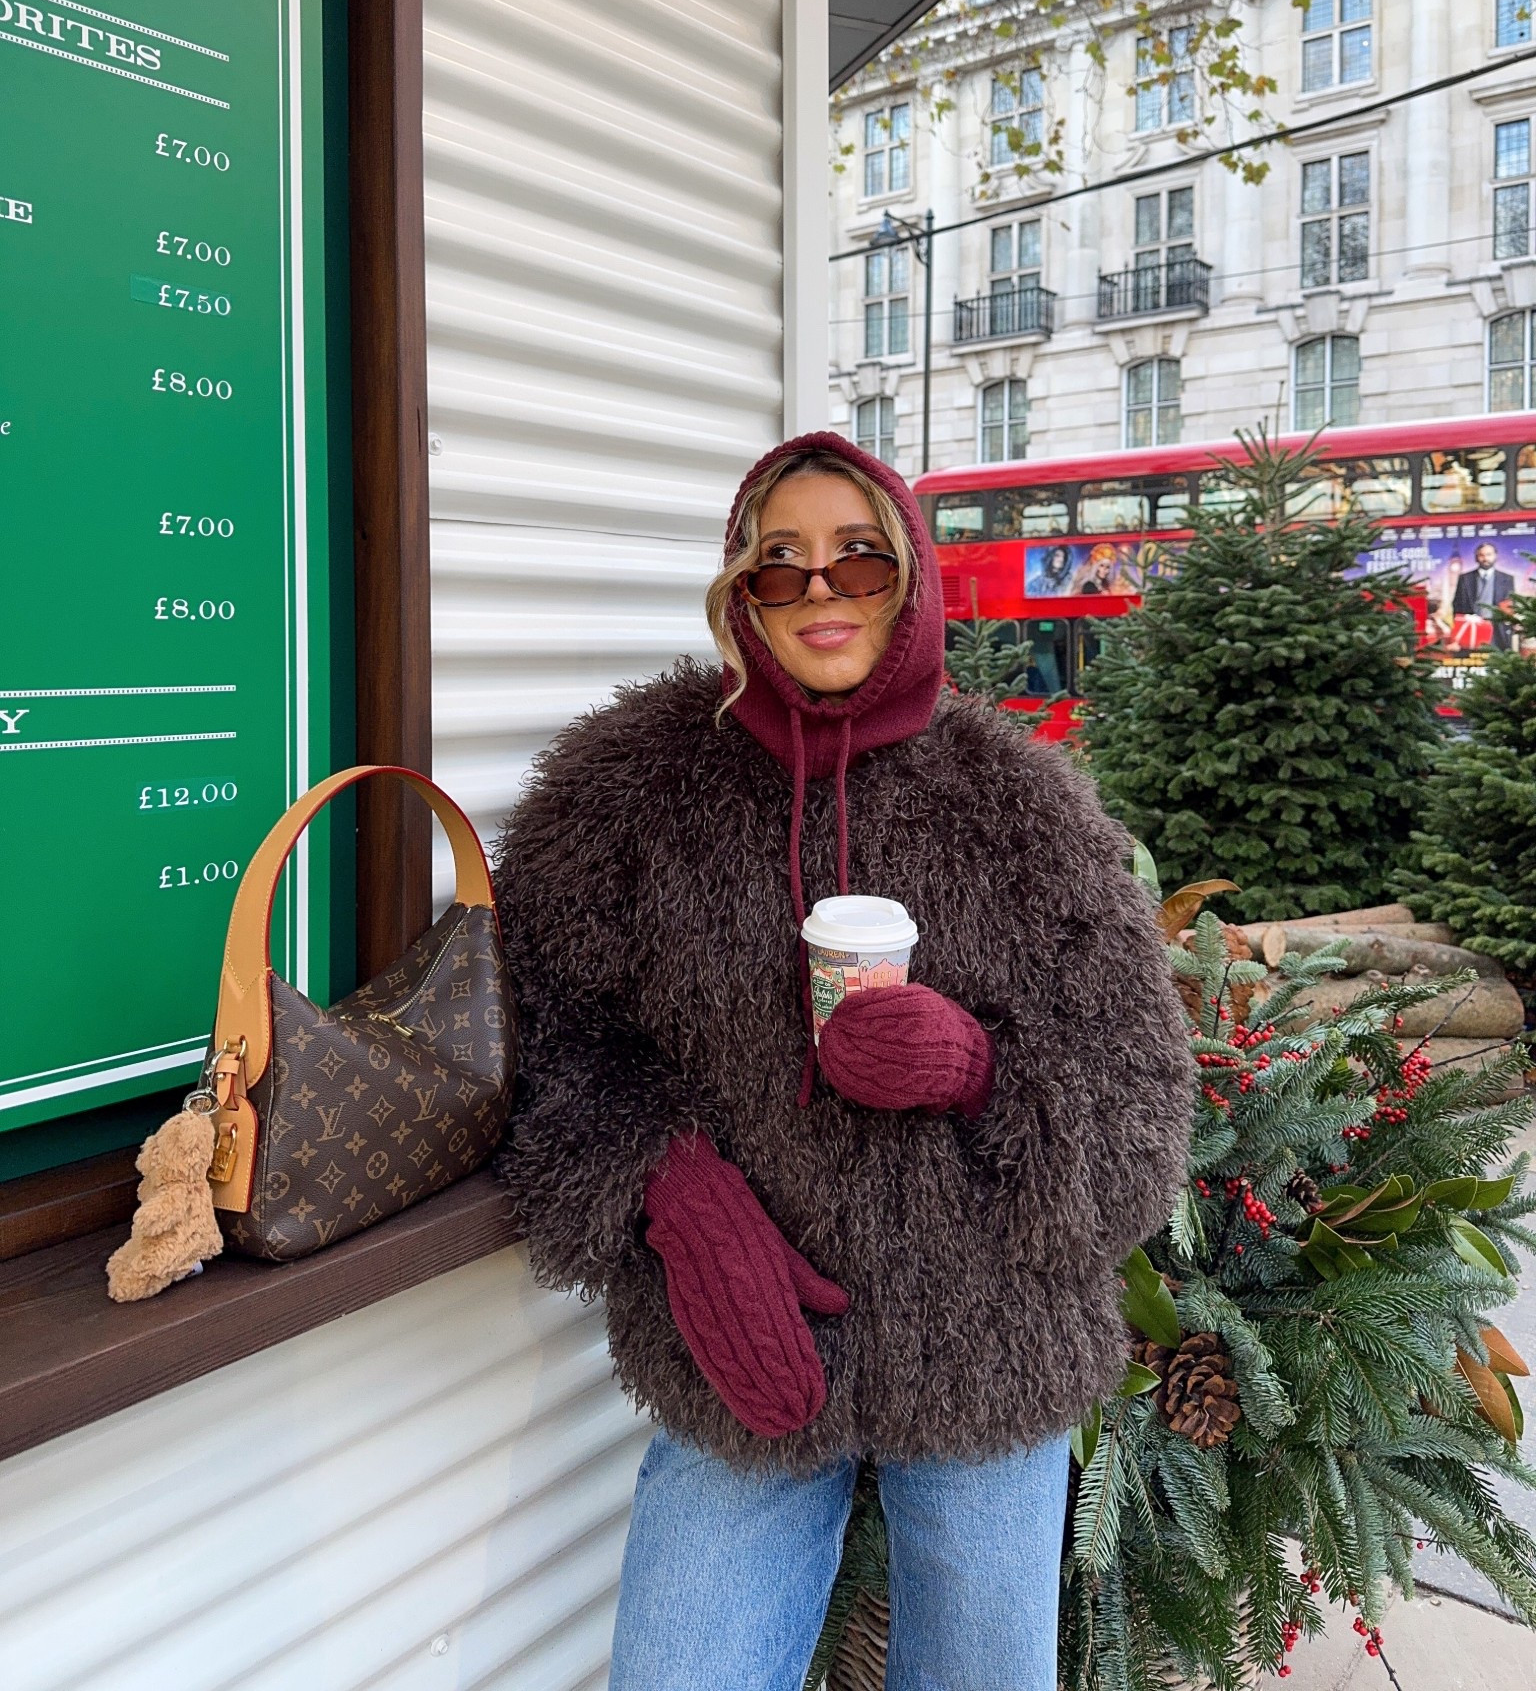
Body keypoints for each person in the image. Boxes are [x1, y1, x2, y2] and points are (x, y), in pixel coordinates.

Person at [493, 431, 1192, 1691]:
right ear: (740, 594)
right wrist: (669, 1188)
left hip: (991, 1345)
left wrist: (979, 1068)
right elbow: (541, 1030)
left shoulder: (1020, 806)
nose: (822, 592)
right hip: (741, 1338)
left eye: (859, 559)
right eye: (783, 565)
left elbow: (1140, 1108)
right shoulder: (630, 791)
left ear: (912, 579)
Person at [1452, 541, 1516, 650]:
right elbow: (1457, 605)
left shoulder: (1507, 579)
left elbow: (1510, 605)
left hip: (1497, 632)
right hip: (1471, 631)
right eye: (1481, 555)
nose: (1485, 558)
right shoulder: (1465, 579)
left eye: (1489, 554)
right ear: (1476, 557)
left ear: (1495, 556)